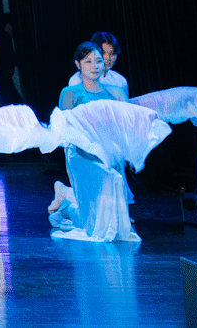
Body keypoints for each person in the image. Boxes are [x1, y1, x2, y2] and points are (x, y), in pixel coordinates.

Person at [49, 41, 135, 242]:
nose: (95, 66)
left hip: (110, 153)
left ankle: (67, 199)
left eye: (98, 61)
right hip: (81, 155)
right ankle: (67, 207)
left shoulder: (116, 92)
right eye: (88, 61)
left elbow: (124, 125)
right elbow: (66, 129)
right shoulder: (70, 93)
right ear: (78, 65)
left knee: (112, 184)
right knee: (91, 218)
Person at [66, 32, 128, 96]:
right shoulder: (77, 80)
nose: (108, 58)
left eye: (112, 54)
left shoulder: (120, 80)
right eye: (103, 53)